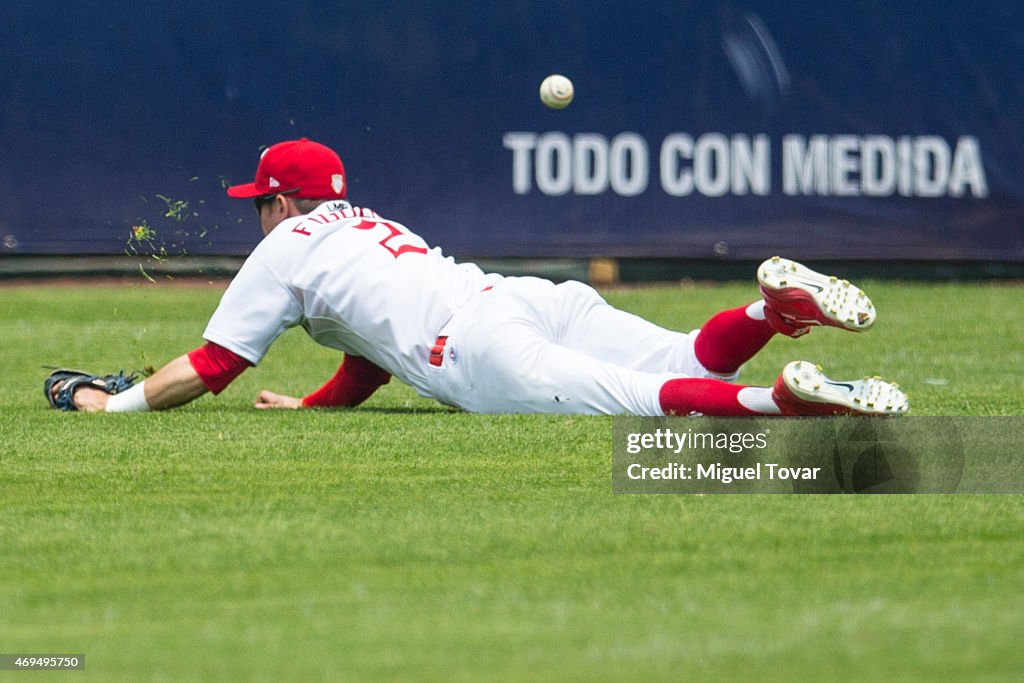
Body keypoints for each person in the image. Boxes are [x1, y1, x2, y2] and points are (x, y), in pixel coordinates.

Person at [52, 138, 908, 417]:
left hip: (481, 349)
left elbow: (213, 366)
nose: (255, 214)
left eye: (258, 201)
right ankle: (767, 306)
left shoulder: (284, 249)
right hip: (523, 294)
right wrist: (313, 409)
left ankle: (783, 403)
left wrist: (109, 405)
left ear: (281, 203)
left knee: (644, 398)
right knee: (691, 353)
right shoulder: (370, 223)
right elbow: (368, 353)